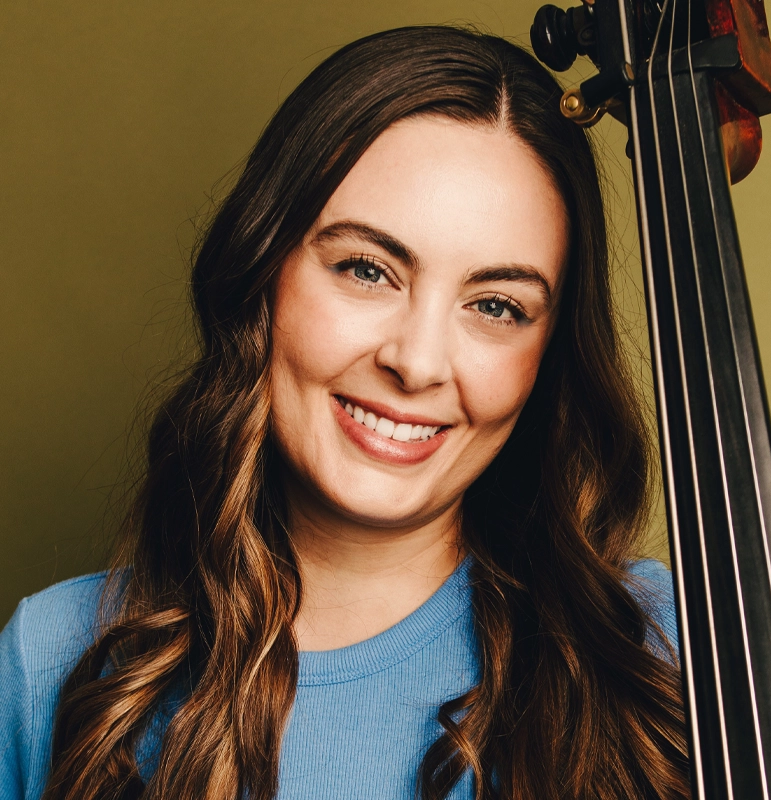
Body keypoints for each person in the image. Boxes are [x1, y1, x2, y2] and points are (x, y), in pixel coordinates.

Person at [0, 25, 688, 800]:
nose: (418, 362)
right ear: (264, 271)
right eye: (367, 269)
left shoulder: (667, 653)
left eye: (496, 305)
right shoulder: (55, 664)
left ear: (547, 356)